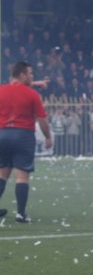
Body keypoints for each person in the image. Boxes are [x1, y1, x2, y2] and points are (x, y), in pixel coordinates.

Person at [0, 61, 52, 223]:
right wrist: (48, 137)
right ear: (23, 74)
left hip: (2, 134)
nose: (32, 76)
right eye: (30, 74)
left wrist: (35, 83)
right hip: (23, 135)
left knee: (2, 174)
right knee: (22, 177)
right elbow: (42, 119)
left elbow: (16, 88)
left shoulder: (1, 90)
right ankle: (21, 214)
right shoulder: (31, 94)